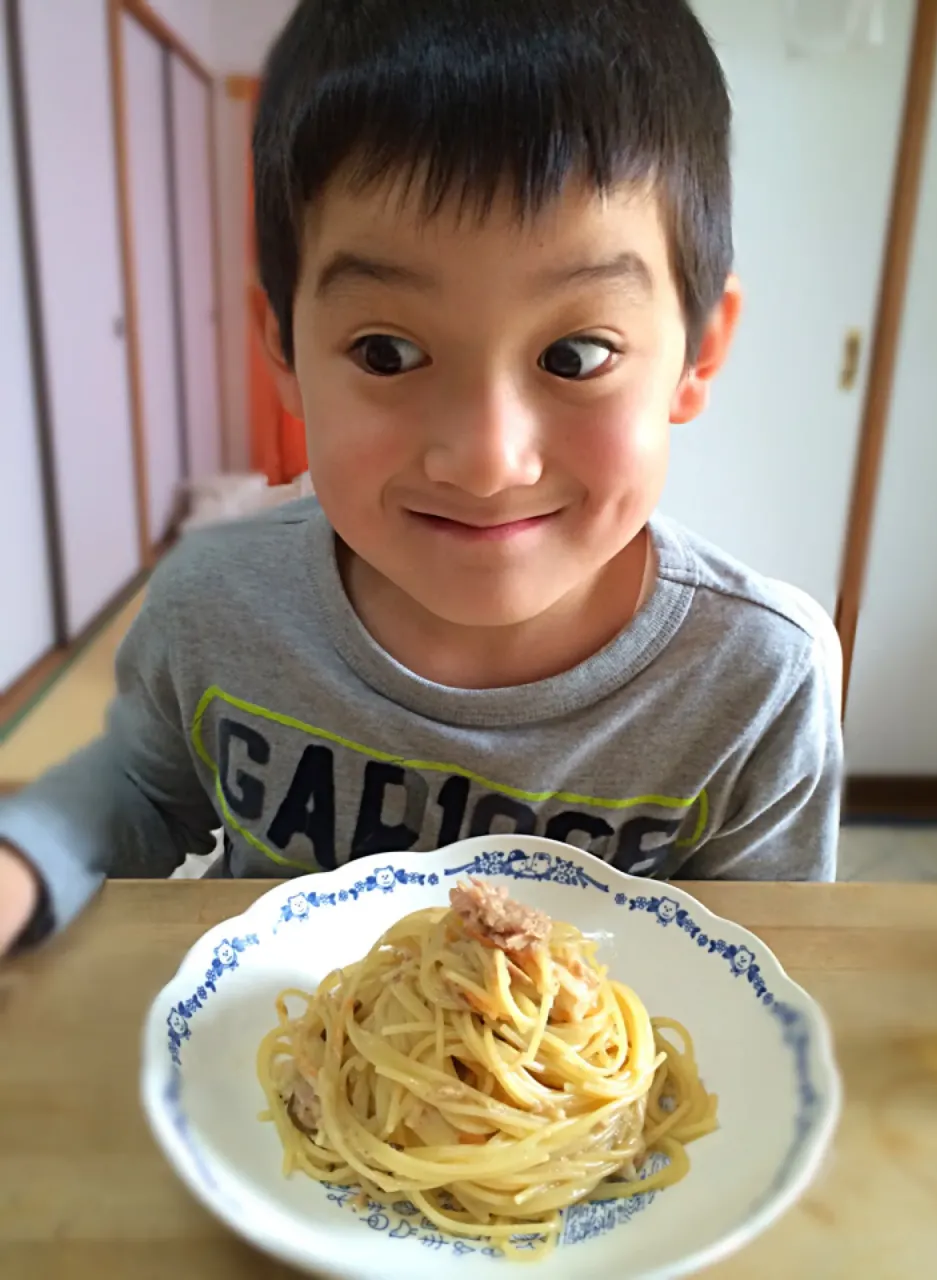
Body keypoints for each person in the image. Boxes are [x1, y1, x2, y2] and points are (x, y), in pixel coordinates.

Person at [0, 0, 843, 958]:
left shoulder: (753, 681)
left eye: (574, 354)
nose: (486, 460)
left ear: (697, 355)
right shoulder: (215, 608)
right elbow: (142, 793)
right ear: (285, 348)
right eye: (388, 351)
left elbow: (760, 960)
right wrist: (23, 861)